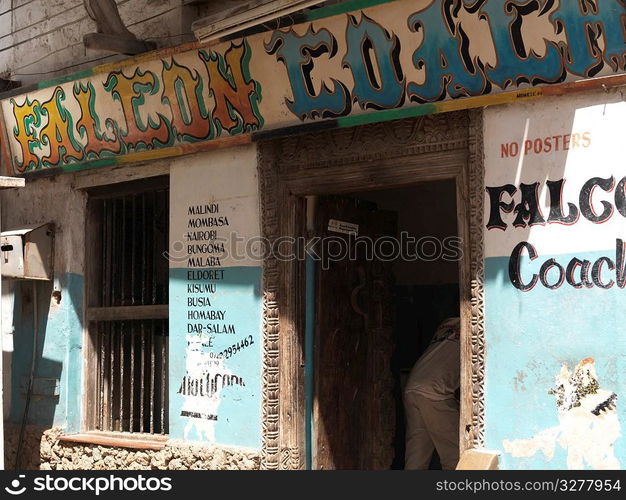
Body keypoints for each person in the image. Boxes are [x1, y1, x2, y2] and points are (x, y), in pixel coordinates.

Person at [403, 317, 461, 470]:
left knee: (417, 454)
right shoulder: (478, 323)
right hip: (435, 391)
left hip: (413, 386)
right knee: (455, 455)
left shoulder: (446, 323)